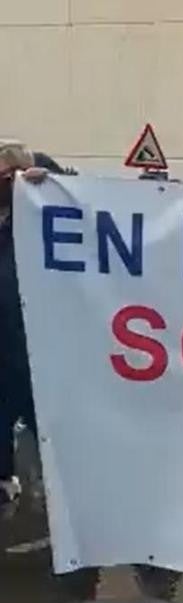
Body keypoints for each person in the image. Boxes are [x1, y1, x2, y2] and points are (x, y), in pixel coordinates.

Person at [0, 143, 70, 504]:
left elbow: (95, 207)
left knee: (60, 450)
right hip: (6, 356)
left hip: (44, 357)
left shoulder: (51, 214)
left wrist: (53, 185)